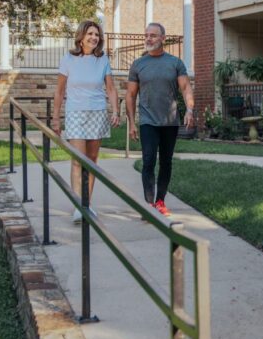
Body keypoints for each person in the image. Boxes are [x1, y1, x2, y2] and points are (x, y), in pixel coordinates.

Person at [52, 20, 120, 223]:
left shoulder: (102, 60)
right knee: (77, 160)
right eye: (90, 33)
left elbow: (110, 89)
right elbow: (59, 91)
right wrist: (56, 117)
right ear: (81, 37)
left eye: (97, 35)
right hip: (75, 114)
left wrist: (115, 110)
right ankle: (77, 206)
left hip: (97, 113)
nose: (94, 37)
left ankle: (87, 204)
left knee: (91, 162)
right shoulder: (68, 59)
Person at [126, 22, 195, 216]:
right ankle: (149, 205)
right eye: (146, 35)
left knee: (166, 161)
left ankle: (160, 201)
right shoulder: (138, 64)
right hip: (148, 121)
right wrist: (132, 122)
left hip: (170, 121)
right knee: (148, 160)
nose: (148, 38)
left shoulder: (175, 63)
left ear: (163, 38)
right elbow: (130, 95)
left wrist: (189, 109)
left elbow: (185, 88)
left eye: (153, 35)